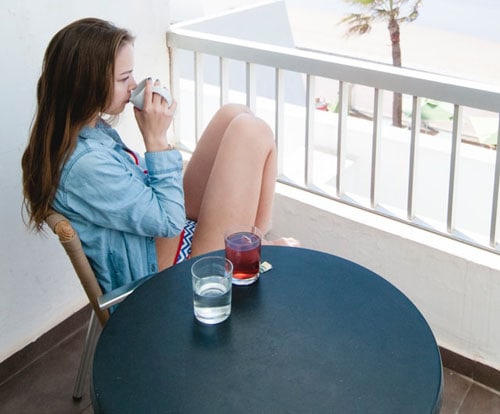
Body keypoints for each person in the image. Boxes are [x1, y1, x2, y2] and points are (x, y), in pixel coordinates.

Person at [21, 17, 298, 293]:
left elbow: (146, 199)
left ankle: (253, 242)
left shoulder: (89, 131)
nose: (133, 85)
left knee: (234, 113)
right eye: (122, 78)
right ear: (86, 85)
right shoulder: (86, 164)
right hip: (166, 277)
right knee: (251, 131)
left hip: (163, 241)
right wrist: (155, 140)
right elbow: (168, 221)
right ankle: (252, 250)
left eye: (131, 74)